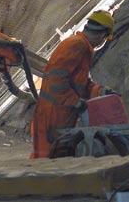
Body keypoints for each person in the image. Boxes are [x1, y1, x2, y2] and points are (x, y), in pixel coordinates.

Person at [30, 10, 117, 158]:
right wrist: (75, 102)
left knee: (55, 159)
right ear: (102, 35)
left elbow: (80, 83)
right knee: (45, 162)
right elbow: (56, 80)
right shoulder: (77, 45)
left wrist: (100, 91)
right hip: (53, 114)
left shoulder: (82, 46)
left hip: (60, 112)